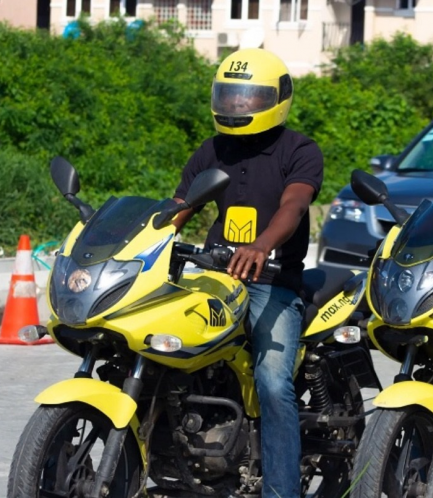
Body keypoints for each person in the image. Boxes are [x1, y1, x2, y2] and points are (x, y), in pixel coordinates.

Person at [171, 48, 323, 497]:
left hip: (273, 283)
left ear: (277, 98)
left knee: (273, 384)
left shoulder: (299, 150)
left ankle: (282, 492)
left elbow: (294, 205)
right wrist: (141, 237)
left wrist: (262, 245)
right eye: (230, 96)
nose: (237, 106)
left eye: (249, 97)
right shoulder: (212, 149)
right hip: (215, 278)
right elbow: (180, 205)